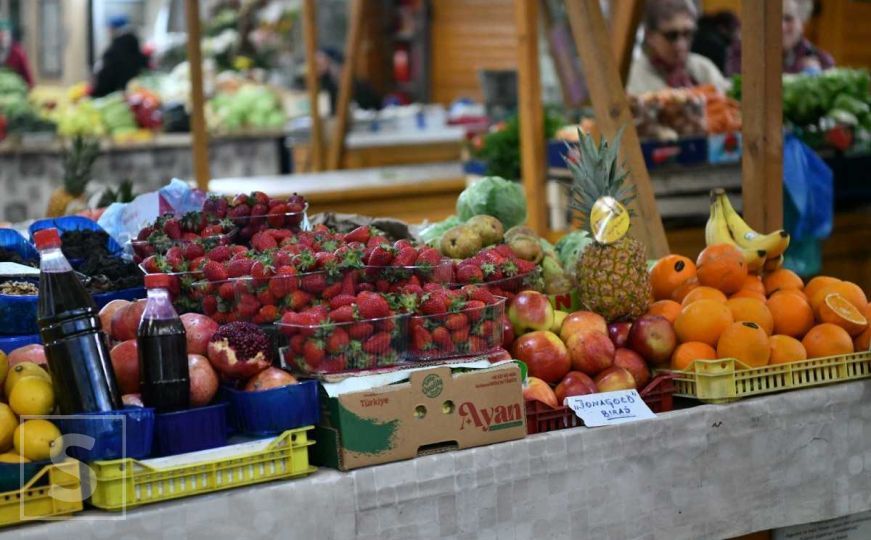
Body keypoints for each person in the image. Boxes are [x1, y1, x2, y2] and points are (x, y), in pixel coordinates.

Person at [627, 0, 729, 95]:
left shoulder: (704, 69)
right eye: (671, 36)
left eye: (688, 34)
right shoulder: (632, 77)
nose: (681, 44)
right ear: (650, 36)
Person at [726, 0, 835, 76]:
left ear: (802, 23)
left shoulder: (823, 61)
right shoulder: (742, 54)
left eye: (788, 18)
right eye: (772, 17)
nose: (780, 27)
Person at [91, 15, 149, 98]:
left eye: (110, 29)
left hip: (114, 95)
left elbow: (105, 76)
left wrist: (96, 92)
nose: (108, 32)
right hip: (133, 96)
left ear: (115, 29)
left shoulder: (114, 50)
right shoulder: (135, 46)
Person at [316, 46, 382, 114]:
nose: (317, 64)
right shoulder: (323, 84)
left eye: (320, 60)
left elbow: (375, 106)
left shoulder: (359, 85)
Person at [691, 11, 740, 76]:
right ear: (722, 28)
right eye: (735, 31)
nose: (737, 36)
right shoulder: (718, 46)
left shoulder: (699, 29)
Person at [0, 19, 33, 87]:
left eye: (4, 33)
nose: (2, 36)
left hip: (13, 87)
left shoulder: (17, 51)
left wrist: (30, 85)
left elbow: (26, 72)